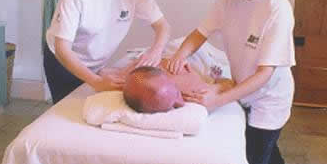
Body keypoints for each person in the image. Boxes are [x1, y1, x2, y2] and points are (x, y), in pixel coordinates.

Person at [166, 0, 295, 164]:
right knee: (268, 158)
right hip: (242, 88)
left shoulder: (277, 9)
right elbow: (200, 33)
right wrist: (178, 56)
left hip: (268, 98)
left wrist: (219, 99)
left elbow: (264, 74)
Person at [99, 58, 234, 113]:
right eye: (172, 106)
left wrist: (215, 89)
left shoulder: (191, 87)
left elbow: (229, 84)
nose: (181, 104)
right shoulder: (130, 82)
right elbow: (103, 73)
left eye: (176, 94)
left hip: (192, 57)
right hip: (144, 60)